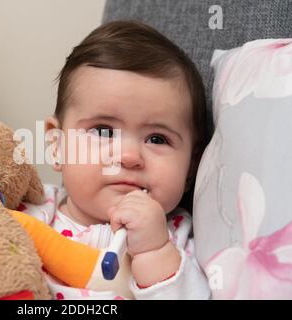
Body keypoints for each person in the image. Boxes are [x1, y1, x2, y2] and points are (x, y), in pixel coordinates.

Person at [20, 20, 211, 299]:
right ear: (57, 145)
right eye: (104, 131)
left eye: (157, 139)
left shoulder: (177, 239)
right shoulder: (33, 212)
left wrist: (153, 251)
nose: (130, 157)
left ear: (191, 168)